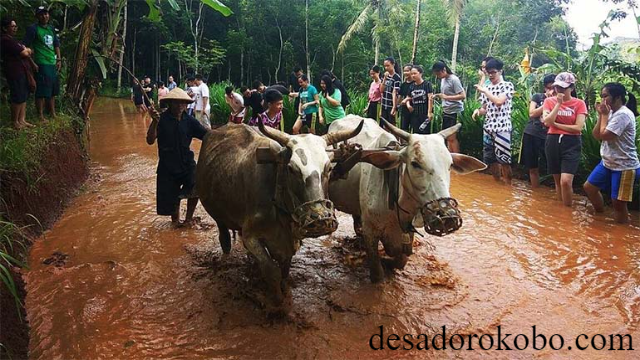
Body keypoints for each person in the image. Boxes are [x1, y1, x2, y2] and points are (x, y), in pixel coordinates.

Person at [146, 87, 208, 227]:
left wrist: (222, 135)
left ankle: (188, 219)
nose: (180, 106)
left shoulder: (190, 120)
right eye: (177, 103)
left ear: (186, 104)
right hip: (168, 165)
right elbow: (150, 140)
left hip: (187, 163)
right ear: (170, 104)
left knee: (195, 188)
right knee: (172, 195)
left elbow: (206, 135)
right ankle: (175, 221)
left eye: (183, 103)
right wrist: (154, 122)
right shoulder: (161, 119)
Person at [584, 83, 639, 223]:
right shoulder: (611, 112)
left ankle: (621, 236)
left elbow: (605, 135)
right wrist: (601, 116)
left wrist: (604, 115)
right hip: (608, 162)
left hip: (624, 166)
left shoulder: (623, 115)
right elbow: (596, 135)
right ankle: (600, 216)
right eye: (602, 96)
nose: (603, 100)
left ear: (618, 97)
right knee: (589, 187)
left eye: (605, 96)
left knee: (618, 203)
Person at [542, 72, 587, 207]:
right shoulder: (549, 101)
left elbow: (578, 128)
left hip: (571, 142)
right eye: (557, 87)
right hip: (553, 141)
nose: (559, 90)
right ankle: (563, 213)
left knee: (566, 181)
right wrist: (558, 104)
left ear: (571, 88)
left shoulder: (579, 103)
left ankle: (568, 210)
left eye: (563, 88)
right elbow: (547, 122)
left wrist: (556, 125)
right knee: (557, 181)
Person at [473, 58, 514, 185]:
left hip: (502, 128)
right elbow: (486, 108)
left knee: (504, 160)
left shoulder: (507, 86)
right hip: (488, 127)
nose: (490, 75)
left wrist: (485, 90)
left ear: (501, 71)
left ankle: (508, 186)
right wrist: (478, 111)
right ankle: (497, 184)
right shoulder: (487, 87)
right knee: (490, 160)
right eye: (488, 72)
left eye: (493, 72)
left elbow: (498, 102)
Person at [23, 6, 61, 123]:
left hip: (52, 62)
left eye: (46, 14)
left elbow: (56, 45)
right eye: (41, 14)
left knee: (53, 90)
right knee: (41, 90)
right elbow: (25, 47)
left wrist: (58, 59)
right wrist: (32, 63)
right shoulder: (33, 29)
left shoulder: (51, 28)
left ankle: (52, 113)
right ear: (37, 17)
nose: (44, 16)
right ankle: (40, 115)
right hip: (41, 63)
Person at [520, 74, 555, 188]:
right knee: (532, 167)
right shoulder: (537, 97)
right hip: (532, 133)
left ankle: (558, 196)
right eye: (549, 88)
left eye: (555, 88)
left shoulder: (560, 101)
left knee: (554, 168)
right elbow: (532, 113)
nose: (552, 91)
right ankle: (536, 194)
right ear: (545, 88)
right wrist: (547, 102)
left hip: (549, 137)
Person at [1, 17, 35, 129]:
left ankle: (22, 120)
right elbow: (25, 53)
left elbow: (26, 51)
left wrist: (27, 50)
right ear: (5, 28)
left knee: (23, 95)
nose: (15, 28)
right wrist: (27, 50)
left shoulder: (13, 40)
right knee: (17, 96)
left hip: (22, 71)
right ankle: (15, 121)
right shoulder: (6, 40)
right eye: (12, 26)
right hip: (14, 72)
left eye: (16, 26)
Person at [432, 60, 466, 153]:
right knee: (447, 137)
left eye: (438, 73)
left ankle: (456, 160)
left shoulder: (454, 79)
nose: (437, 76)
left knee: (452, 137)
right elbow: (445, 94)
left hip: (455, 111)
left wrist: (446, 97)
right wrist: (438, 95)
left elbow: (462, 95)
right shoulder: (443, 79)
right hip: (446, 111)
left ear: (444, 70)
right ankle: (450, 158)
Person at [404, 65, 433, 134]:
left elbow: (430, 99)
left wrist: (429, 112)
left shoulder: (427, 84)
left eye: (415, 73)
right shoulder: (411, 86)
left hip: (424, 113)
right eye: (412, 74)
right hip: (414, 113)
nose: (413, 75)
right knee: (416, 133)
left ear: (420, 73)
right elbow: (408, 97)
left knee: (425, 133)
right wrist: (408, 105)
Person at [380, 57, 401, 127]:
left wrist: (394, 107)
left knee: (392, 125)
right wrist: (384, 79)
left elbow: (395, 93)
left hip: (391, 105)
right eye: (385, 66)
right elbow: (381, 90)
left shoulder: (397, 78)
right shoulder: (385, 76)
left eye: (388, 65)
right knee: (383, 125)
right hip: (384, 104)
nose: (386, 68)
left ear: (393, 65)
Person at [398, 64, 414, 131]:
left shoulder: (415, 84)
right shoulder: (403, 85)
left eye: (407, 71)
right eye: (404, 71)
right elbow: (400, 96)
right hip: (404, 110)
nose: (405, 73)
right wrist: (397, 105)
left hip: (414, 109)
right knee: (403, 128)